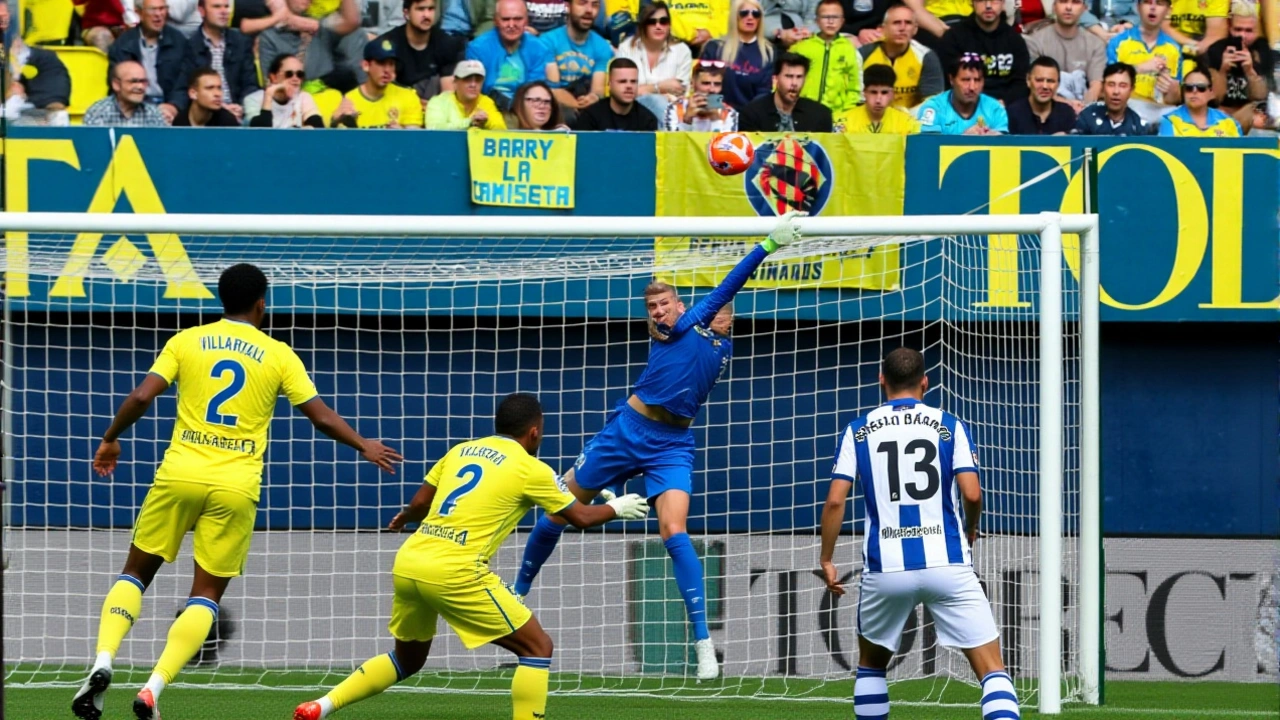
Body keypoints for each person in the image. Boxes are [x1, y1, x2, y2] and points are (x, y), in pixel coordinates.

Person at [70, 264, 401, 720]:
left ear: (220, 300)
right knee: (205, 595)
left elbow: (141, 397)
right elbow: (320, 416)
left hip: (180, 473)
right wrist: (363, 444)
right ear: (261, 303)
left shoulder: (186, 340)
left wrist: (110, 437)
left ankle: (104, 659)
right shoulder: (278, 354)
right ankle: (152, 688)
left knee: (135, 574)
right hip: (235, 486)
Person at [511, 213, 804, 682]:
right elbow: (727, 287)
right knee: (558, 509)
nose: (658, 312)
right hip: (627, 432)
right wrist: (766, 244)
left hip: (672, 445)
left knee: (674, 531)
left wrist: (736, 286)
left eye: (664, 303)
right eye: (652, 307)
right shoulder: (678, 328)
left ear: (681, 302)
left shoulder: (720, 344)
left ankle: (704, 644)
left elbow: (728, 294)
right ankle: (519, 589)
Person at [293, 393, 650, 720]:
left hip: (411, 560)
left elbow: (420, 503)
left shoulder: (462, 450)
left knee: (407, 660)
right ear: (534, 433)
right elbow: (581, 517)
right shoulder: (530, 468)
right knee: (537, 647)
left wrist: (405, 517)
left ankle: (320, 707)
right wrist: (617, 507)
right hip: (456, 570)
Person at [820, 347, 1022, 720]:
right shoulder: (950, 425)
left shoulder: (858, 430)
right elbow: (972, 493)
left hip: (886, 568)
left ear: (882, 381)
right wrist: (972, 527)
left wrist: (827, 558)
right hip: (947, 562)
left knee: (871, 665)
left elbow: (835, 502)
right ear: (925, 382)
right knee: (992, 669)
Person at [465, 0, 558, 107]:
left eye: (518, 19)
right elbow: (474, 90)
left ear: (526, 21)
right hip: (487, 106)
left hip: (525, 107)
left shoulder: (539, 48)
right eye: (505, 19)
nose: (511, 25)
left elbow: (533, 89)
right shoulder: (477, 48)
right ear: (495, 21)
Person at [935, 0, 1029, 104]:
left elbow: (1021, 83)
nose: (988, 6)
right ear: (972, 3)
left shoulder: (1015, 39)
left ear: (1003, 4)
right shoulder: (954, 37)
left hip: (1006, 107)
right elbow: (950, 81)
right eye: (981, 0)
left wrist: (1003, 102)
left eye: (994, 1)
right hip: (965, 105)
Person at [613, 2, 694, 119]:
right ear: (643, 25)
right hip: (631, 112)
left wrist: (642, 89)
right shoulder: (626, 48)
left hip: (670, 113)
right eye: (652, 22)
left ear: (669, 25)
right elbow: (622, 92)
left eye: (663, 21)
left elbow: (679, 95)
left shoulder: (682, 50)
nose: (658, 26)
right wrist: (659, 87)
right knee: (656, 101)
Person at [1106, 0, 1187, 115]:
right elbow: (1107, 86)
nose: (1153, 7)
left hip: (1159, 111)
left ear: (1169, 10)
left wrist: (1172, 92)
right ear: (1138, 7)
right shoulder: (1118, 42)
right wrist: (1139, 68)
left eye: (1159, 3)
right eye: (1148, 2)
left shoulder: (1174, 49)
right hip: (1126, 108)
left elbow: (1173, 101)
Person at [858, 2, 944, 109]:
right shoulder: (863, 54)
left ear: (915, 29)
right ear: (883, 28)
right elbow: (857, 97)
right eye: (896, 23)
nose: (902, 28)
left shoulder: (926, 56)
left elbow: (932, 102)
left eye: (908, 23)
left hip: (911, 118)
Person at [1203, 0, 1272, 133]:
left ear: (1256, 29)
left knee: (1255, 115)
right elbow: (1214, 98)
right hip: (1219, 115)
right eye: (1238, 29)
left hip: (1250, 116)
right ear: (1229, 26)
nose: (1242, 36)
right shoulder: (1216, 50)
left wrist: (1250, 71)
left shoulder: (1262, 51)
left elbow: (1261, 96)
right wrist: (1222, 71)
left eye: (1249, 31)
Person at [375, 0, 466, 101]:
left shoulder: (447, 44)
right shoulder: (389, 44)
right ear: (406, 13)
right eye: (420, 9)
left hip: (434, 109)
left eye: (431, 9)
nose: (427, 15)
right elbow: (382, 90)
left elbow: (448, 95)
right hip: (397, 106)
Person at [543, 0, 614, 121]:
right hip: (555, 101)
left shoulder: (602, 46)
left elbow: (598, 90)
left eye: (595, 5)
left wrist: (593, 97)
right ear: (568, 7)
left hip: (584, 98)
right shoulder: (548, 41)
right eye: (582, 3)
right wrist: (576, 105)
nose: (589, 10)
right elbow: (554, 89)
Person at [699, 0, 776, 110]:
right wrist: (718, 112)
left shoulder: (769, 52)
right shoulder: (714, 47)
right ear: (734, 16)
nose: (750, 17)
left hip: (750, 118)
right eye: (744, 13)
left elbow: (764, 92)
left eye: (756, 14)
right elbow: (706, 85)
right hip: (716, 114)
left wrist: (747, 118)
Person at [332, 38, 426, 127]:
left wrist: (401, 134)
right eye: (381, 63)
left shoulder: (408, 97)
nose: (387, 70)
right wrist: (335, 121)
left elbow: (414, 139)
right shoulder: (350, 100)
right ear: (366, 65)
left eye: (391, 64)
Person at [791, 0, 863, 114]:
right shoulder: (801, 48)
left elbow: (854, 85)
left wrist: (847, 112)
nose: (830, 21)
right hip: (803, 111)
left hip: (836, 114)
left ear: (842, 21)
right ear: (817, 21)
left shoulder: (848, 49)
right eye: (825, 17)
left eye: (835, 17)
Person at [737, 52, 834, 131]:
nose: (794, 83)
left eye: (799, 77)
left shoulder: (820, 115)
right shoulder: (752, 114)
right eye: (789, 76)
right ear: (775, 79)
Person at [916, 52, 1008, 133]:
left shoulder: (995, 109)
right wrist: (963, 140)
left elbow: (1005, 148)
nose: (972, 87)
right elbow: (928, 148)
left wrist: (996, 138)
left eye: (977, 80)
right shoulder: (934, 108)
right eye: (966, 80)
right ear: (951, 80)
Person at [571, 57, 660, 129]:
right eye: (622, 81)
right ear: (609, 84)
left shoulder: (647, 120)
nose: (629, 86)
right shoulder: (590, 117)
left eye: (633, 81)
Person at [244, 54, 325, 127]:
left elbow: (318, 128)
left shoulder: (303, 97)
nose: (295, 79)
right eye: (289, 74)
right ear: (273, 77)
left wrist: (310, 128)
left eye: (300, 74)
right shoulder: (252, 99)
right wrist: (268, 96)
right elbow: (259, 132)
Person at [834, 63, 920, 132]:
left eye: (884, 93)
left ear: (892, 94)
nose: (878, 100)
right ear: (864, 93)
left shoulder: (908, 124)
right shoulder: (843, 122)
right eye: (873, 92)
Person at [1072, 61, 1153, 134]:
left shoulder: (1138, 124)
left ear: (1131, 90)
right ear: (1103, 87)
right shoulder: (1087, 117)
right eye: (1111, 84)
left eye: (1123, 86)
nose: (1116, 91)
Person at [83, 60, 172, 126]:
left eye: (143, 81)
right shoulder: (98, 112)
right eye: (134, 81)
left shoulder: (154, 114)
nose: (140, 87)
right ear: (116, 85)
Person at [1159, 67, 1242, 135]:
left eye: (1201, 88)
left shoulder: (1229, 123)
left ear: (1211, 93)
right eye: (1189, 88)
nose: (1194, 91)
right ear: (1183, 92)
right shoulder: (1170, 120)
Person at [425, 59, 508, 127]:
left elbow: (501, 130)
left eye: (478, 80)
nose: (473, 84)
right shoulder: (438, 102)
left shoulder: (487, 102)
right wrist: (469, 123)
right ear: (455, 82)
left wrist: (486, 122)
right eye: (467, 79)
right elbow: (434, 129)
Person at [1006, 56, 1077, 134]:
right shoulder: (1012, 113)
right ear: (1028, 80)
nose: (1045, 86)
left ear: (1058, 84)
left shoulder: (1066, 113)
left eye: (1050, 81)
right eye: (1039, 80)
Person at [663, 60, 740, 130]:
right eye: (706, 83)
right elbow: (672, 144)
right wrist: (687, 120)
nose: (712, 90)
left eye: (717, 84)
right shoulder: (675, 108)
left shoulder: (729, 113)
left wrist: (715, 119)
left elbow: (725, 144)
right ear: (692, 83)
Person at [172, 66, 243, 125]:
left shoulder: (227, 122)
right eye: (209, 88)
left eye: (219, 88)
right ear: (193, 93)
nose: (217, 94)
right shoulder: (180, 121)